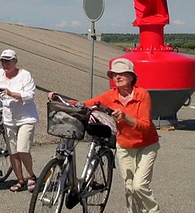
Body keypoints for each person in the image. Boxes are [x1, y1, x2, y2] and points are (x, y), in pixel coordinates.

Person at [49, 58, 160, 213]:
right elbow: (86, 104)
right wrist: (61, 98)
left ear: (132, 77)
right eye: (114, 74)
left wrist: (125, 117)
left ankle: (153, 211)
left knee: (139, 186)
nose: (118, 77)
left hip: (146, 145)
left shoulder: (142, 95)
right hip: (124, 145)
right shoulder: (111, 95)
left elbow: (146, 126)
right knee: (129, 187)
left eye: (122, 74)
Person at [0, 49, 39, 192]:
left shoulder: (25, 75)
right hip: (9, 118)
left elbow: (30, 95)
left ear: (15, 61)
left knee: (22, 149)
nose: (5, 64)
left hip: (26, 118)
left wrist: (12, 94)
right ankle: (20, 180)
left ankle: (31, 176)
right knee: (13, 152)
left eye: (8, 61)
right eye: (3, 61)